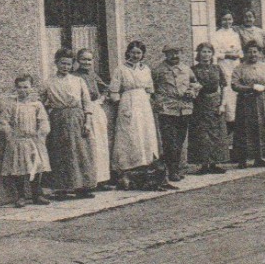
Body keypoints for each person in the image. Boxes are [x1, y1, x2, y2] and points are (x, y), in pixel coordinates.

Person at [110, 40, 166, 190]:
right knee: (130, 136)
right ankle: (127, 170)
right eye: (133, 52)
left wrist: (146, 102)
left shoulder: (145, 69)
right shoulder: (120, 69)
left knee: (145, 135)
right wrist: (121, 105)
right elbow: (114, 91)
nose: (135, 56)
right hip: (128, 103)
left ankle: (146, 168)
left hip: (143, 104)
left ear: (142, 55)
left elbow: (149, 89)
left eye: (139, 53)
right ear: (128, 52)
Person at [41, 49, 97, 198]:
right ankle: (62, 188)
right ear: (56, 63)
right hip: (58, 119)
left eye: (68, 64)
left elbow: (87, 102)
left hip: (77, 117)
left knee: (80, 151)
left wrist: (88, 122)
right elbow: (41, 102)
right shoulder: (49, 82)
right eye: (62, 63)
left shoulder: (78, 80)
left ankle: (82, 187)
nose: (65, 66)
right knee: (61, 153)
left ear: (72, 65)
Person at [0, 74, 51, 207]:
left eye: (26, 87)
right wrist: (9, 134)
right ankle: (21, 196)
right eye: (20, 87)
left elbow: (43, 121)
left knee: (36, 168)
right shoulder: (11, 105)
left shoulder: (36, 105)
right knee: (19, 169)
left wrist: (41, 133)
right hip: (18, 141)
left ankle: (37, 194)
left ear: (31, 88)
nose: (23, 90)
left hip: (33, 140)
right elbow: (3, 122)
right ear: (16, 89)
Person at [152, 45, 198, 184]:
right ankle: (170, 171)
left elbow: (195, 83)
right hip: (167, 109)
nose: (174, 56)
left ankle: (175, 169)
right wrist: (159, 102)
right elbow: (151, 89)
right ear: (165, 55)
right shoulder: (158, 70)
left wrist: (193, 91)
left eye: (176, 53)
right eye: (171, 54)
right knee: (169, 141)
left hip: (184, 108)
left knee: (179, 140)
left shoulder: (186, 69)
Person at [231, 42, 265, 167]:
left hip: (264, 102)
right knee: (245, 129)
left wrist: (264, 87)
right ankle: (242, 159)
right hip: (246, 102)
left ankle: (259, 157)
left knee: (261, 128)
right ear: (245, 53)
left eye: (255, 52)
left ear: (259, 53)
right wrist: (250, 88)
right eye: (249, 52)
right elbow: (234, 85)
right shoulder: (239, 68)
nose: (252, 54)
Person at [74, 48, 113, 189]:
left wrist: (101, 99)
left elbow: (106, 88)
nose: (86, 62)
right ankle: (89, 181)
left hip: (96, 110)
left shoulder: (93, 75)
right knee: (88, 144)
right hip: (83, 111)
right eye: (83, 59)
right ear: (78, 61)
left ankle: (102, 179)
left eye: (89, 59)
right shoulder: (74, 76)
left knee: (101, 144)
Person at [187, 43, 229, 175]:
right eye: (203, 52)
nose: (206, 55)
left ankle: (215, 163)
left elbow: (224, 87)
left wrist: (222, 105)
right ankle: (203, 164)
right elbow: (190, 86)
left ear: (212, 54)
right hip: (200, 103)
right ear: (198, 54)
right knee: (201, 134)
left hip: (215, 102)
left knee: (216, 133)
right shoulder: (193, 69)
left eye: (209, 52)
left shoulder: (217, 68)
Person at [210, 11, 244, 125]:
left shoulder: (235, 34)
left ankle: (238, 119)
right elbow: (215, 53)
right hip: (224, 64)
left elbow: (240, 50)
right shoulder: (216, 35)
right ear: (220, 21)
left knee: (237, 86)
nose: (227, 22)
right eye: (224, 19)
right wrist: (227, 55)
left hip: (235, 64)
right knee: (227, 88)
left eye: (229, 19)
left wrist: (238, 54)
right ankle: (229, 119)